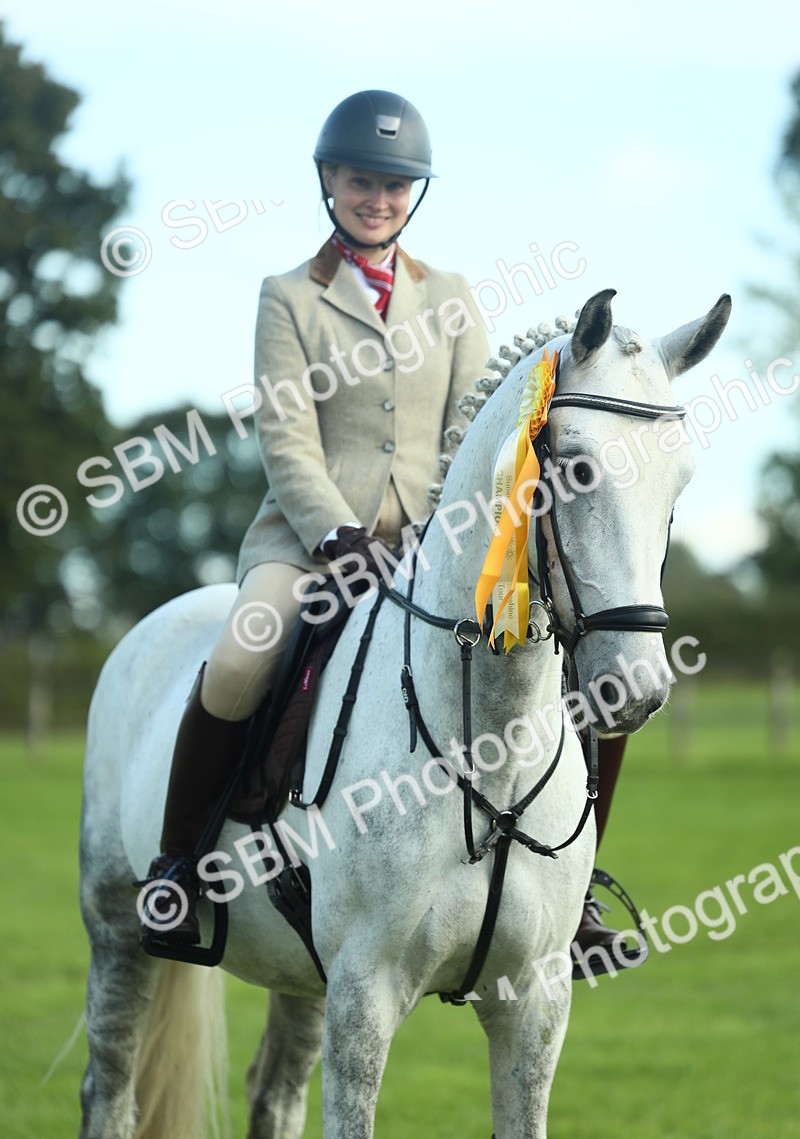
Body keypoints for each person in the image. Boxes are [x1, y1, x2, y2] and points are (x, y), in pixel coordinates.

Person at [140, 89, 625, 956]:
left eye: (397, 186)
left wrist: (451, 530)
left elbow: (475, 426)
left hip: (436, 543)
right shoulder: (287, 295)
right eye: (364, 180)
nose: (380, 198)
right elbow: (285, 437)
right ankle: (178, 870)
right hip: (307, 541)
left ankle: (576, 892)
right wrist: (334, 535)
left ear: (415, 194)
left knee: (567, 658)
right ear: (329, 180)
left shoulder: (454, 294)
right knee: (244, 654)